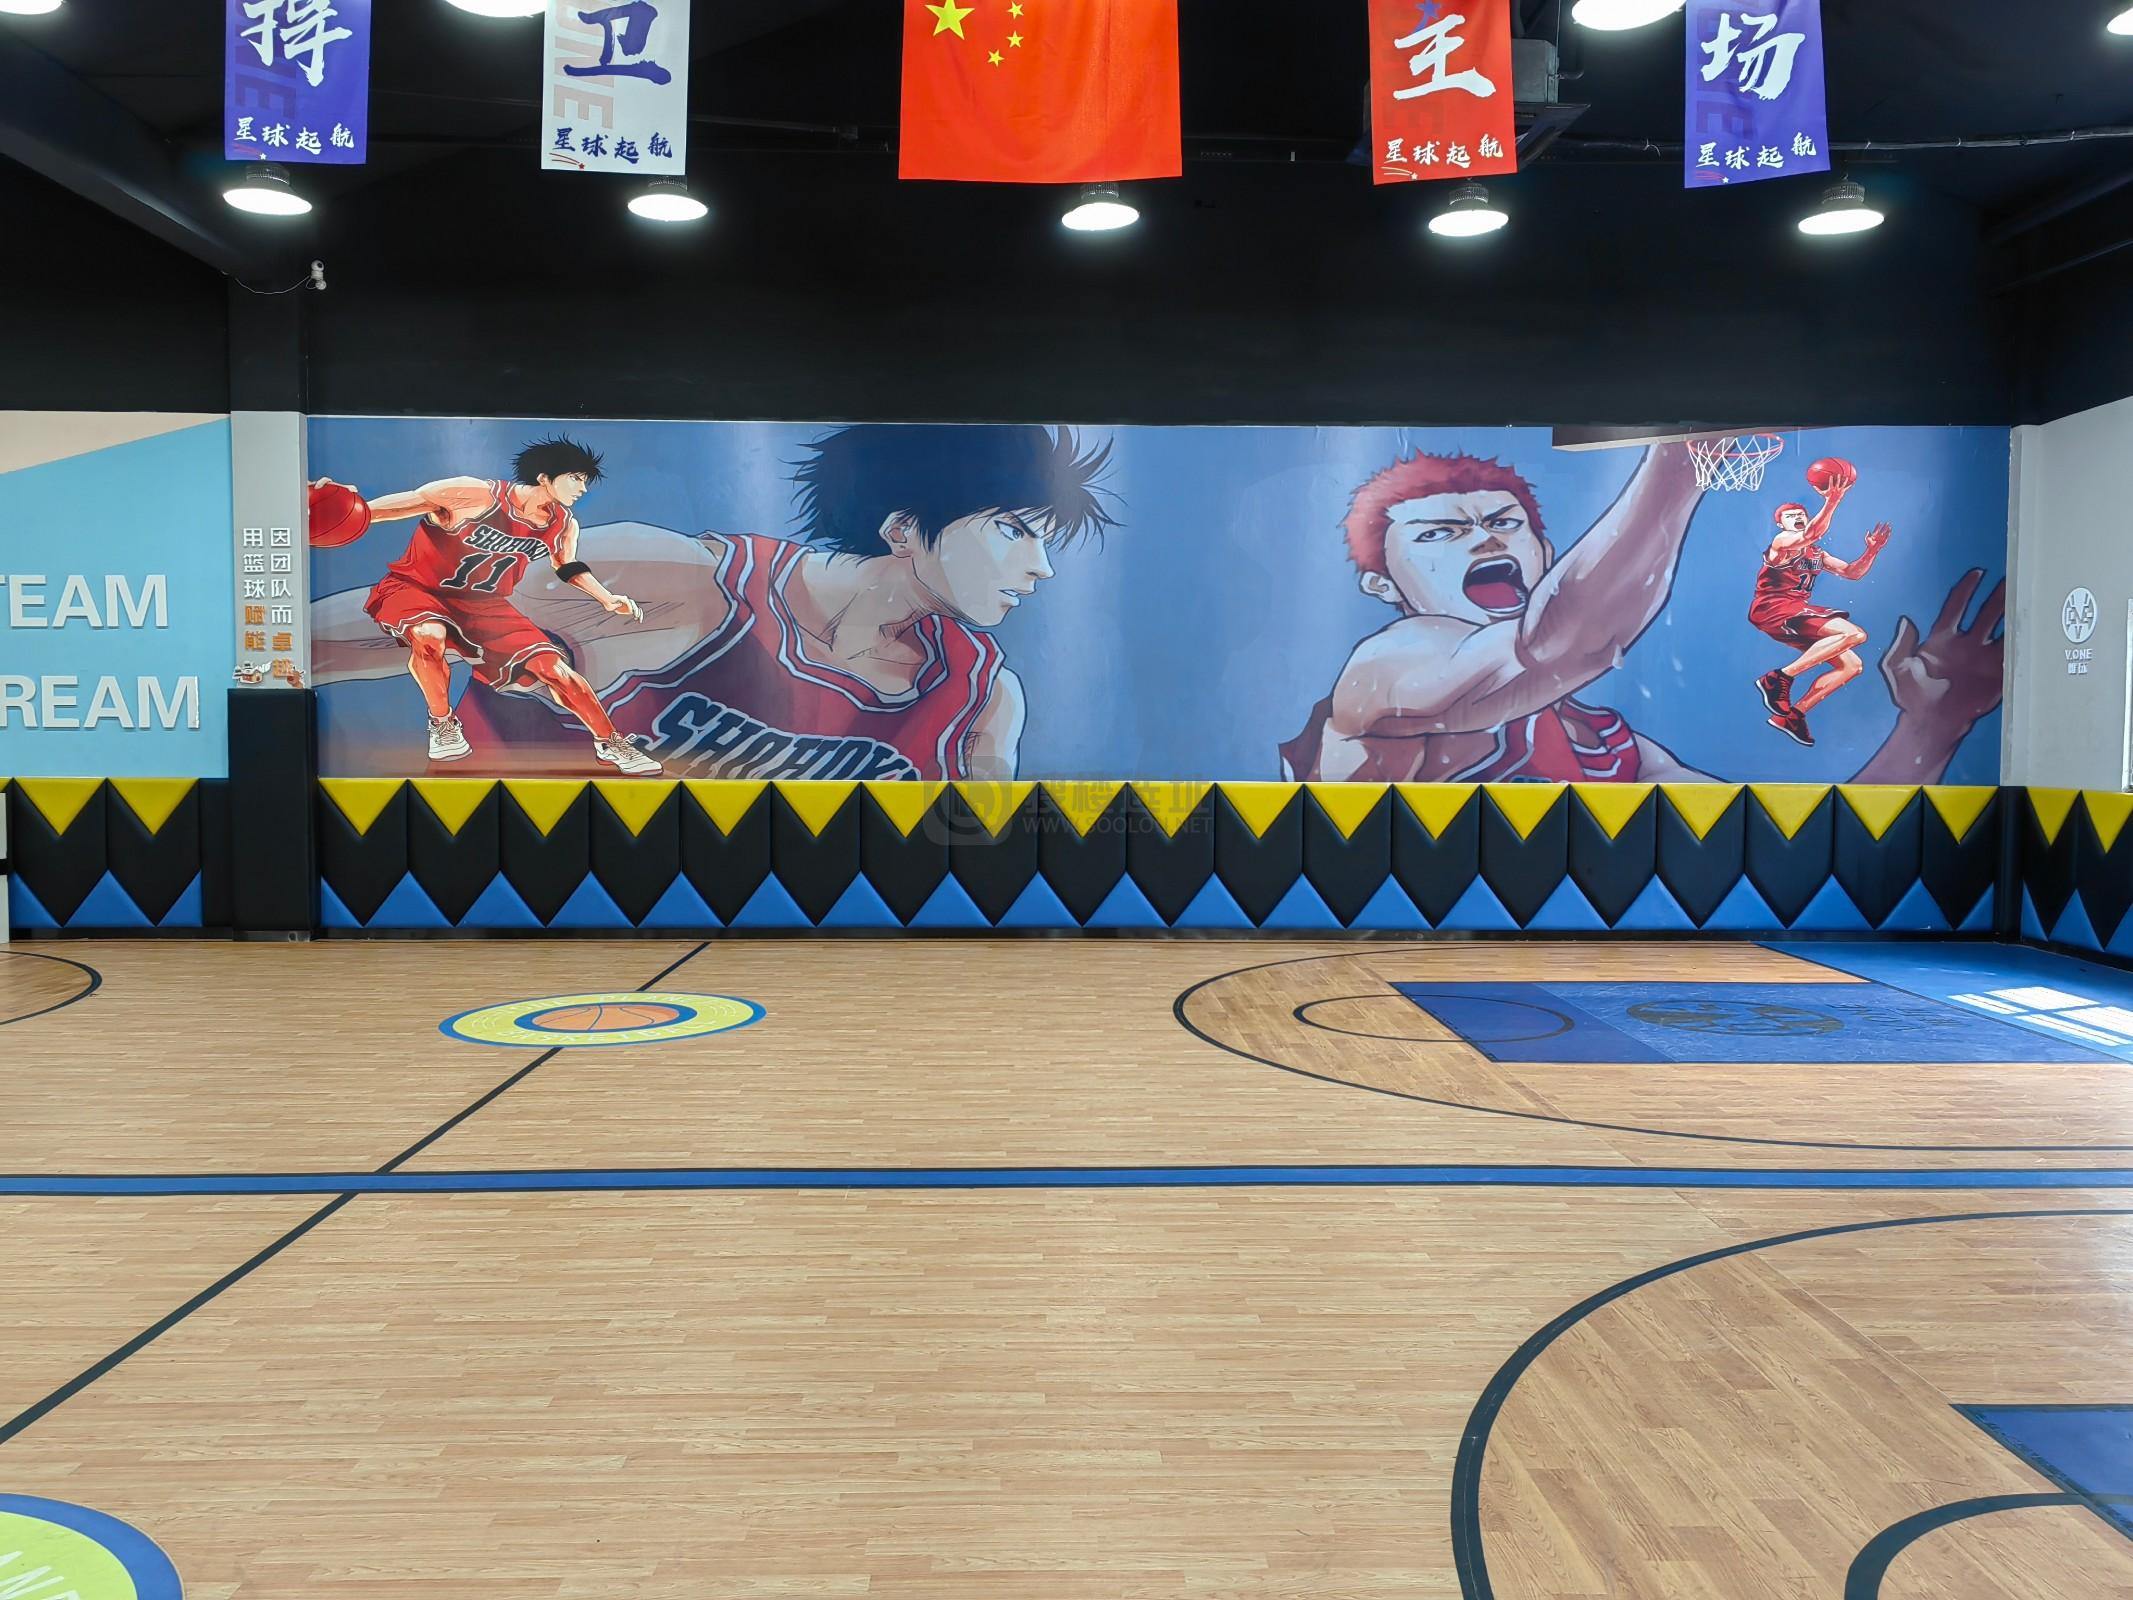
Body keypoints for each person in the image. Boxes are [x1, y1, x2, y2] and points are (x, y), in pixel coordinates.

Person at [313, 424, 1117, 779]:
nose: (1041, 568)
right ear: (903, 528)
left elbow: (973, 855)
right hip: (518, 896)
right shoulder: (674, 579)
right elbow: (372, 633)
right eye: (1015, 530)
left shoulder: (979, 697)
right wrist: (266, 658)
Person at [1281, 443, 2005, 785]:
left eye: (1503, 524)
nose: (1484, 540)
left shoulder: (1596, 744)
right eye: (1438, 533)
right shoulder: (1381, 671)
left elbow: (1780, 845)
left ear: (1546, 555)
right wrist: (1682, 459)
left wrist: (1932, 726)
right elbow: (1557, 649)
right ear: (1383, 584)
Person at [313, 436, 661, 774]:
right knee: (429, 636)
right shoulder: (473, 493)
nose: (582, 488)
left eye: (585, 481)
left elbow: (567, 566)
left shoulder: (563, 523)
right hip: (418, 587)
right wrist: (334, 502)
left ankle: (610, 742)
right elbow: (375, 512)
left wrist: (606, 597)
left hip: (484, 604)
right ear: (544, 477)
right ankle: (443, 723)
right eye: (576, 478)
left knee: (555, 670)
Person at [1749, 458, 1892, 747]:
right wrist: (1833, 500)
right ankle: (1779, 678)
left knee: (1852, 665)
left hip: (1793, 613)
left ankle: (1793, 716)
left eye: (1801, 514)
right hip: (1774, 607)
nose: (1797, 517)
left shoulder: (1816, 554)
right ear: (1780, 524)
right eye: (1790, 515)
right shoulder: (1781, 543)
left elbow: (1852, 573)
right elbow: (1813, 533)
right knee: (1854, 634)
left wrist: (1872, 551)